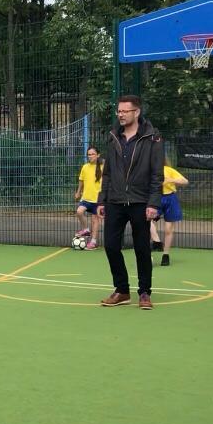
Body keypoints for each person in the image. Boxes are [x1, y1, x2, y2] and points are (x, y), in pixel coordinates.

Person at [99, 95, 164, 310]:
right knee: (110, 245)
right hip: (115, 201)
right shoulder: (113, 137)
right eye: (119, 111)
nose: (120, 114)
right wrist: (102, 200)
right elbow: (107, 172)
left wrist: (153, 203)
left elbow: (157, 174)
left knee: (141, 249)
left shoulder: (152, 138)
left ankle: (144, 292)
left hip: (140, 201)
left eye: (125, 111)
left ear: (136, 112)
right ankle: (122, 290)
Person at [156, 161, 188, 267]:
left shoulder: (168, 170)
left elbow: (185, 181)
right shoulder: (148, 170)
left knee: (168, 229)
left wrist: (171, 180)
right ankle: (156, 241)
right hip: (155, 198)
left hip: (170, 199)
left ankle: (166, 255)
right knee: (146, 221)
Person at [73, 147, 103, 250]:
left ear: (98, 155)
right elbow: (81, 180)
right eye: (89, 154)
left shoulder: (103, 167)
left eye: (92, 154)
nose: (90, 156)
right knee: (79, 212)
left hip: (97, 199)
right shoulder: (85, 167)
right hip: (86, 197)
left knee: (95, 220)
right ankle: (86, 230)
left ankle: (93, 242)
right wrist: (78, 192)